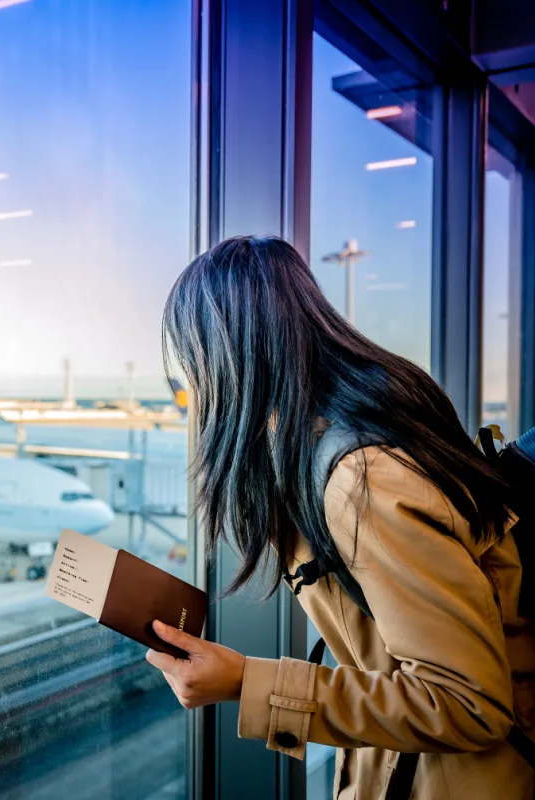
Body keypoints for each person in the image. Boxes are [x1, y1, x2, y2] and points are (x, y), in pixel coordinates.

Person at [146, 236, 535, 799]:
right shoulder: (362, 427)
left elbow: (469, 703)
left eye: (193, 364)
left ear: (228, 358)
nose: (193, 389)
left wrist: (245, 682)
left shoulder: (363, 477)